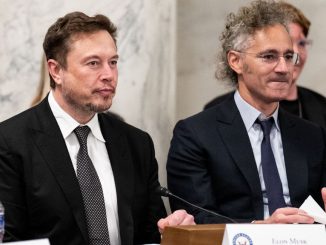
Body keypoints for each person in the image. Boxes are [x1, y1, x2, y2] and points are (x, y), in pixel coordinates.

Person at [0, 12, 194, 245]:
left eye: (113, 62)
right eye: (93, 63)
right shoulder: (10, 142)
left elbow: (149, 233)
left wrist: (172, 231)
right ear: (56, 70)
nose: (109, 75)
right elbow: (10, 238)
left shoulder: (136, 143)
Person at [167, 0, 326, 224]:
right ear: (236, 61)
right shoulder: (196, 135)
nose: (283, 68)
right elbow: (196, 220)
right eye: (269, 56)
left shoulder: (313, 135)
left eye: (288, 56)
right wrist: (262, 230)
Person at [204, 2, 326, 129]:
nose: (296, 54)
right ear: (236, 61)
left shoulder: (321, 107)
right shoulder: (213, 115)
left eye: (301, 43)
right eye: (269, 56)